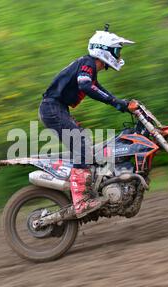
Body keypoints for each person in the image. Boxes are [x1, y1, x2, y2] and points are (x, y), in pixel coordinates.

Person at [38, 26, 135, 218]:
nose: (118, 54)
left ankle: (93, 190)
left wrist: (120, 104)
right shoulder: (87, 63)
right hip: (52, 108)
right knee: (81, 144)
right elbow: (85, 85)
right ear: (103, 49)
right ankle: (81, 201)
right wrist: (117, 103)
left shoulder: (89, 68)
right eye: (116, 50)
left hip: (57, 109)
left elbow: (98, 88)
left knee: (87, 145)